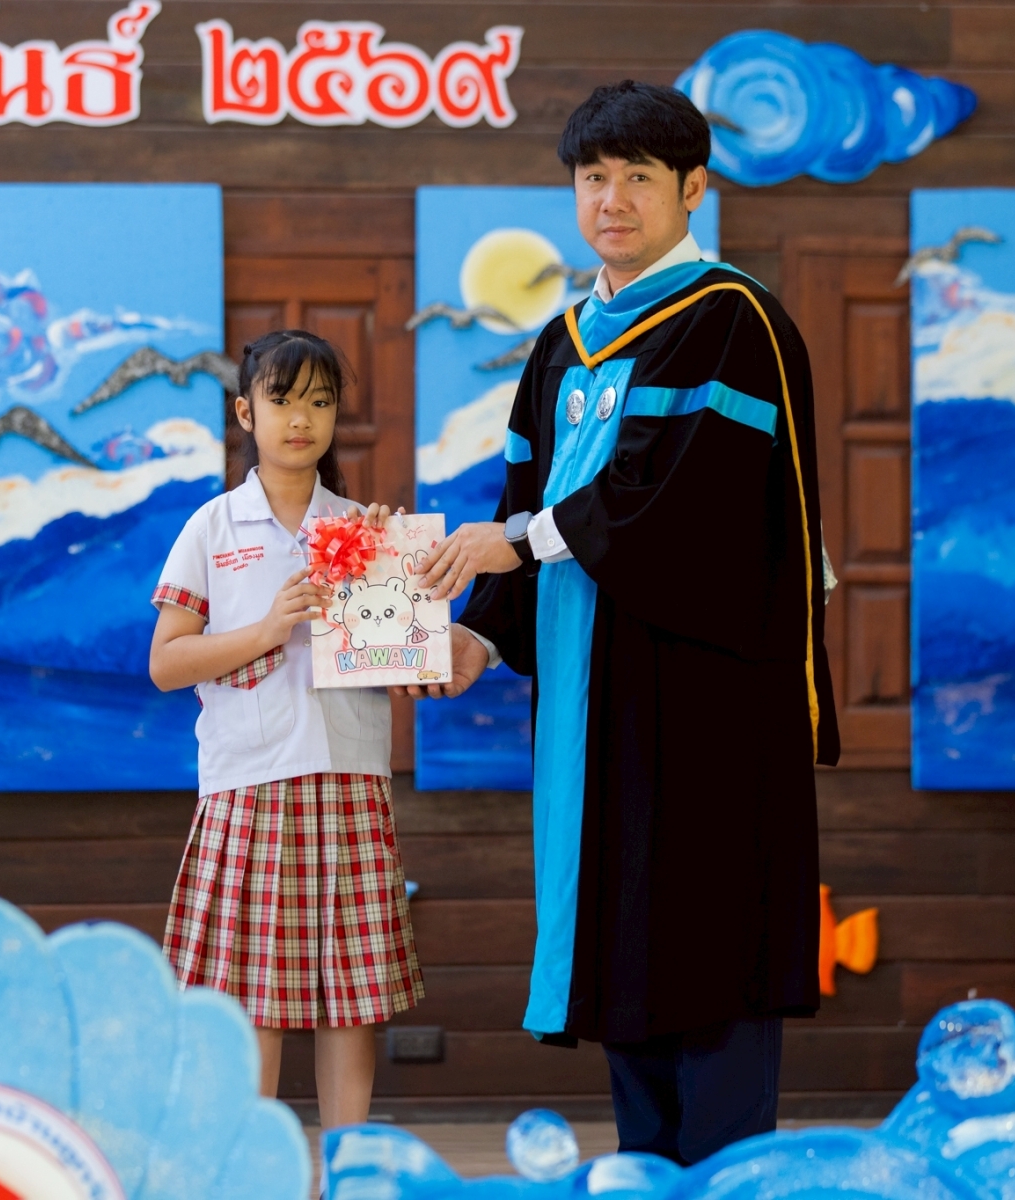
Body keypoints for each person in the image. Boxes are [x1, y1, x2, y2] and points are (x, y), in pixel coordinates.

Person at [406, 82, 841, 1164]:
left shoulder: (733, 322)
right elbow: (524, 500)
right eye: (592, 178)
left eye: (637, 177)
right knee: (627, 946)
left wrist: (520, 545)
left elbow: (684, 500)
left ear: (693, 188)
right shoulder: (561, 344)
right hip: (594, 705)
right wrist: (480, 638)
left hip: (706, 698)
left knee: (708, 945)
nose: (610, 200)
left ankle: (730, 1184)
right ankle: (651, 1180)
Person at [149, 329, 425, 1128]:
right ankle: (256, 1172)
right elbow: (166, 662)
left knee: (350, 1004)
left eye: (320, 401)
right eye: (282, 400)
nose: (301, 419)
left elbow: (402, 660)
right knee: (252, 1001)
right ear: (246, 412)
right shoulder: (213, 527)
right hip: (248, 782)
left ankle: (348, 1169)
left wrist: (416, 628)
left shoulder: (367, 529)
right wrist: (269, 629)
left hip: (350, 778)